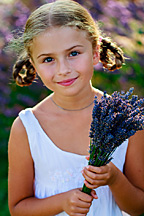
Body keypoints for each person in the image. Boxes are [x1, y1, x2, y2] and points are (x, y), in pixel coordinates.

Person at [8, 0, 144, 215]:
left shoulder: (125, 119)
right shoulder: (27, 127)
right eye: (48, 59)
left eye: (73, 54)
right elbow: (17, 208)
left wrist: (114, 178)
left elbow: (138, 207)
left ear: (95, 52)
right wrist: (62, 202)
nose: (63, 69)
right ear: (34, 65)